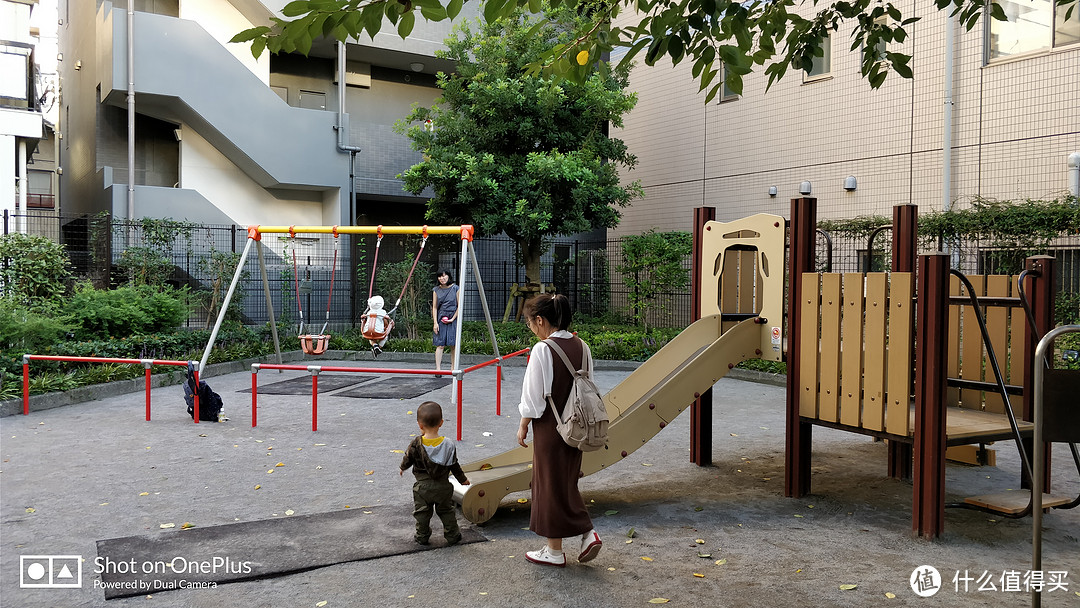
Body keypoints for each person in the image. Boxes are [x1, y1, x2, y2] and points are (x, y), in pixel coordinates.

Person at [516, 294, 602, 567]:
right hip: (578, 426)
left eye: (531, 324)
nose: (532, 329)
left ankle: (559, 548)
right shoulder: (583, 346)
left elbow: (533, 397)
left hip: (551, 427)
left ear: (540, 320)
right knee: (565, 481)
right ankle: (581, 537)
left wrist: (523, 425)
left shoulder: (543, 349)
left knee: (548, 484)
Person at [400, 401, 470, 545]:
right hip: (443, 486)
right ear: (441, 423)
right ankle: (452, 535)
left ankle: (422, 536)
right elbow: (454, 465)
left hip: (422, 488)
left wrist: (402, 467)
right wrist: (463, 480)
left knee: (422, 513)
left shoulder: (415, 444)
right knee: (446, 511)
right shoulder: (448, 444)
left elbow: (408, 458)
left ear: (420, 425)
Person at [431, 269, 459, 371]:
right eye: (440, 276)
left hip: (453, 317)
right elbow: (434, 307)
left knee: (453, 345)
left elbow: (459, 306)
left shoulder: (456, 288)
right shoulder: (436, 290)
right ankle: (438, 369)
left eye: (444, 276)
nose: (442, 278)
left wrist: (453, 318)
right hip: (440, 318)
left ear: (448, 276)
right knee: (440, 344)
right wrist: (435, 323)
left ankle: (453, 368)